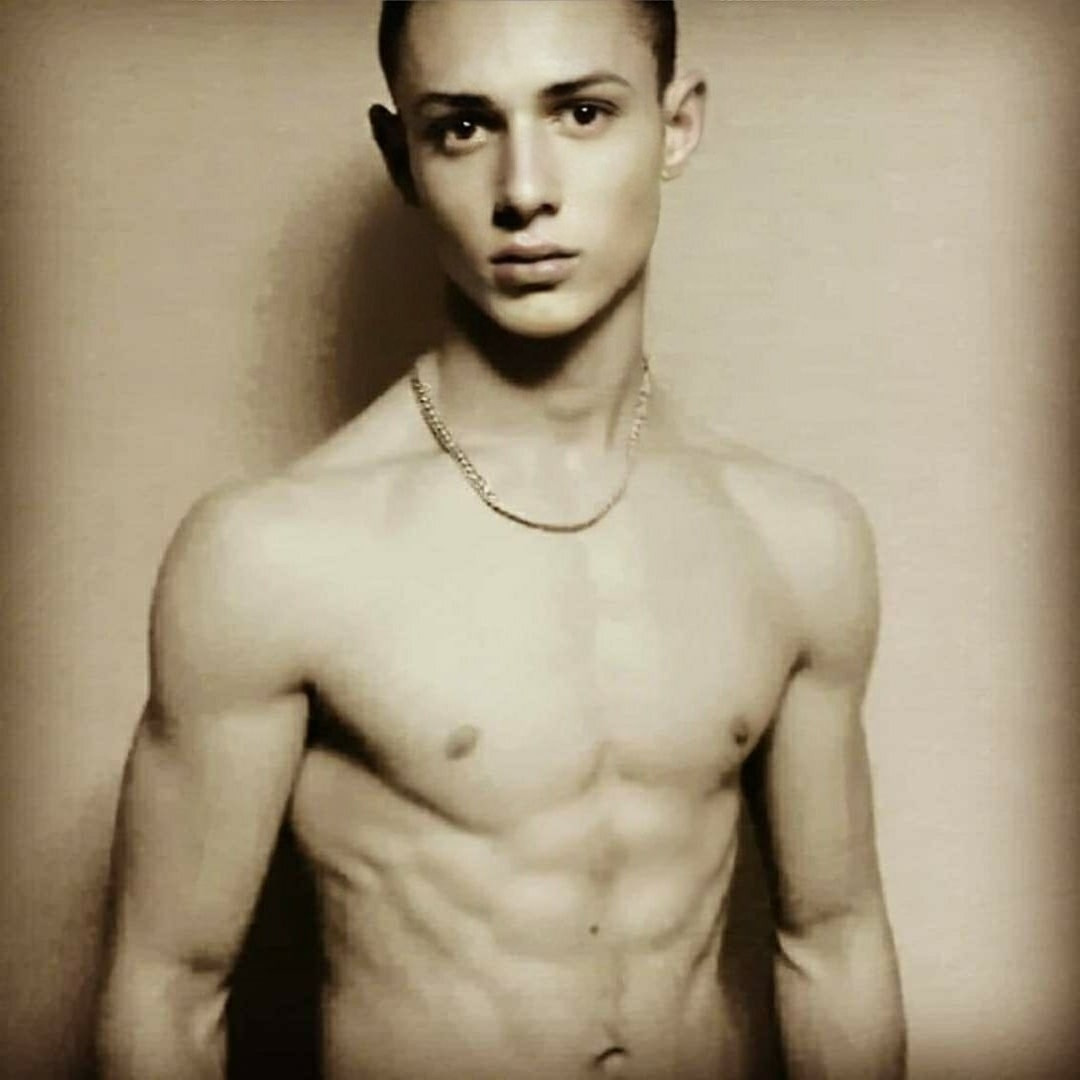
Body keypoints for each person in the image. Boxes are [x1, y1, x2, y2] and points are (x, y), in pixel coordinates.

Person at [97, 1, 906, 1077]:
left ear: (675, 127)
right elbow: (168, 991)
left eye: (581, 112)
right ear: (403, 157)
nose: (525, 190)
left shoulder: (797, 538)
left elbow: (835, 945)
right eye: (464, 127)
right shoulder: (272, 555)